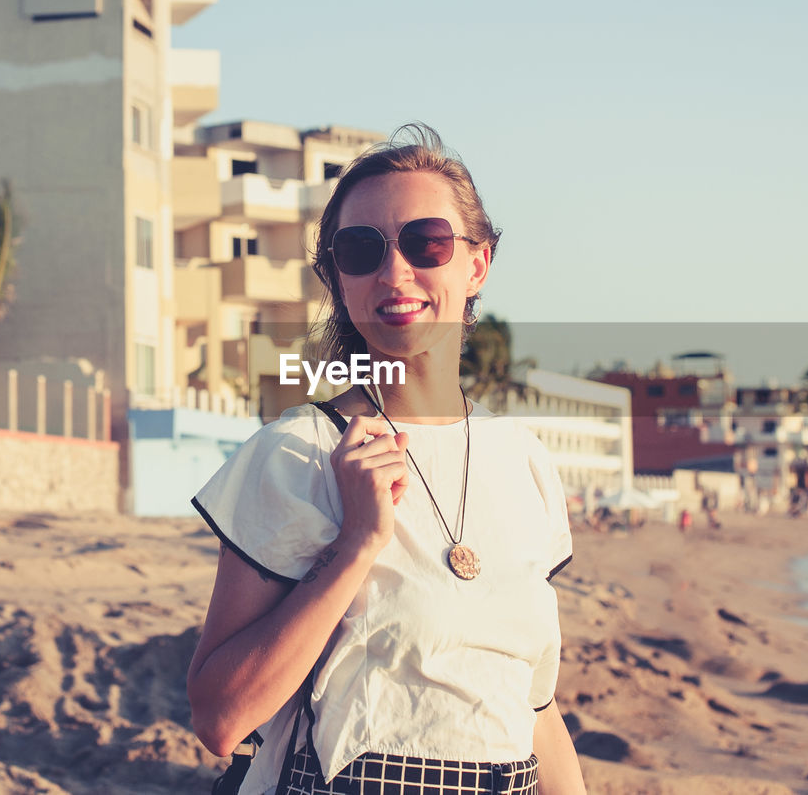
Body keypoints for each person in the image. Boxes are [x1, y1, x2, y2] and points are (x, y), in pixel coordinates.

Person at [187, 125, 587, 795]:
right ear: (336, 280)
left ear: (476, 264)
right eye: (360, 249)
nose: (394, 272)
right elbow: (220, 718)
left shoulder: (525, 464)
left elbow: (535, 710)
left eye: (426, 242)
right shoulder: (297, 455)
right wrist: (356, 545)